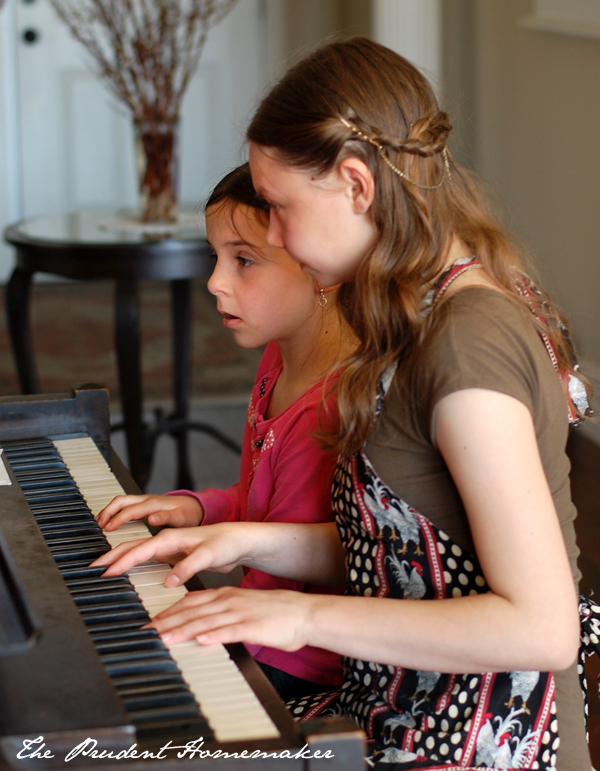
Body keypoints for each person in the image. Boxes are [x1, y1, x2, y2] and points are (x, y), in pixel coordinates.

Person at [95, 39, 595, 769]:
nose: (272, 232)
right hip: (395, 699)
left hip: (483, 742)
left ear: (357, 185)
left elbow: (542, 627)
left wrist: (297, 613)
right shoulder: (410, 310)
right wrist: (244, 537)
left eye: (277, 206)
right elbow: (408, 556)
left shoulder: (465, 346)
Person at [95, 163, 355, 700]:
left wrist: (218, 551)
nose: (215, 281)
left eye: (244, 260)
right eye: (216, 258)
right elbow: (271, 501)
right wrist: (198, 509)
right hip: (258, 623)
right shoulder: (277, 358)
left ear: (319, 265)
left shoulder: (335, 400)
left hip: (300, 658)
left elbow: (341, 548)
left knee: (125, 684)